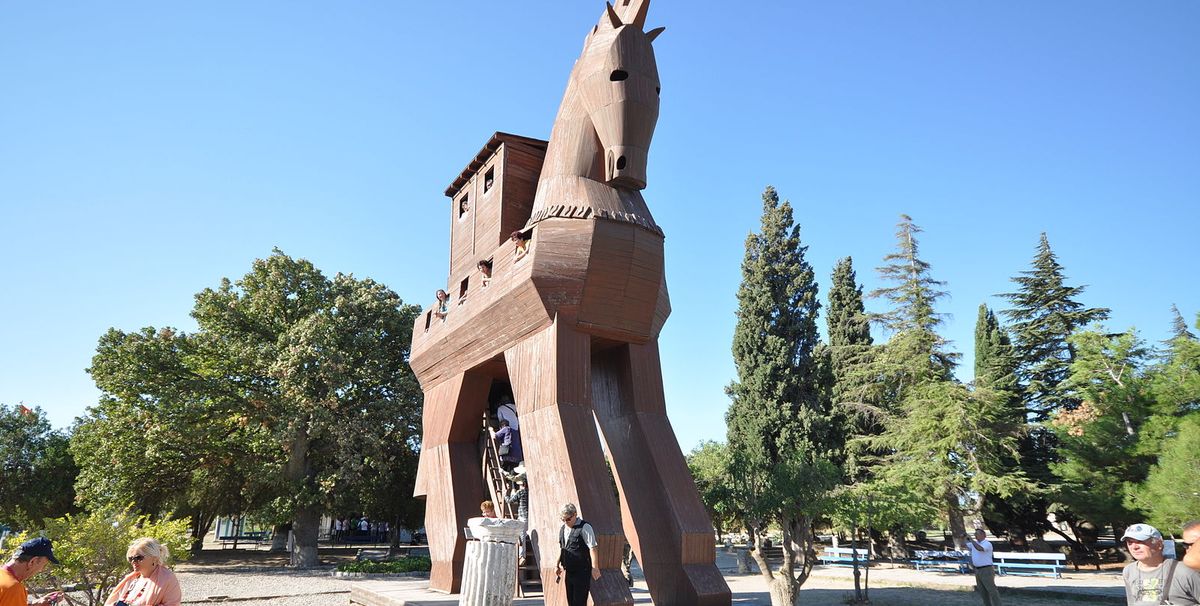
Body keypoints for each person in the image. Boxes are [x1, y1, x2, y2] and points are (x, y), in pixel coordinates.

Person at [1122, 523, 1200, 605]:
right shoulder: (1128, 571)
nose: (1134, 547)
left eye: (1140, 542)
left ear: (1159, 544)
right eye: (1130, 543)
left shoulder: (1184, 571)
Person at [104, 537, 181, 606]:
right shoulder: (131, 579)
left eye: (138, 558)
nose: (133, 561)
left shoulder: (167, 579)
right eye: (131, 558)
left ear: (154, 558)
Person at [556, 503, 600, 606]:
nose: (566, 522)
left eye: (568, 519)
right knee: (571, 602)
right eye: (563, 520)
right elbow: (562, 548)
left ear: (575, 514)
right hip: (569, 571)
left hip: (582, 572)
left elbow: (593, 547)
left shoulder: (585, 527)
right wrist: (556, 565)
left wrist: (595, 567)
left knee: (579, 603)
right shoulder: (563, 529)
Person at [1, 538, 64, 606]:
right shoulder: (13, 589)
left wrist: (34, 604)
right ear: (32, 562)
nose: (41, 570)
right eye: (43, 565)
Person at [962, 528, 1002, 606]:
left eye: (977, 534)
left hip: (986, 569)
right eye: (975, 534)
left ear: (983, 535)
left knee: (991, 590)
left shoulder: (987, 544)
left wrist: (972, 540)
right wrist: (964, 538)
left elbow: (980, 549)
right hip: (977, 570)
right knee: (982, 591)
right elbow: (963, 545)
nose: (975, 536)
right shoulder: (974, 544)